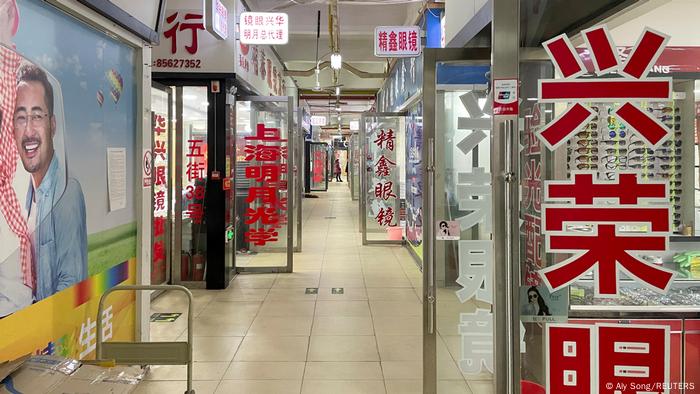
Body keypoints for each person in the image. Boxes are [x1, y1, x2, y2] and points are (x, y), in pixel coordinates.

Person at [13, 63, 87, 301]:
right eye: (21, 117)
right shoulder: (26, 192)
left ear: (52, 125)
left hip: (49, 335)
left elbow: (71, 285)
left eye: (37, 116)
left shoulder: (66, 192)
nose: (28, 130)